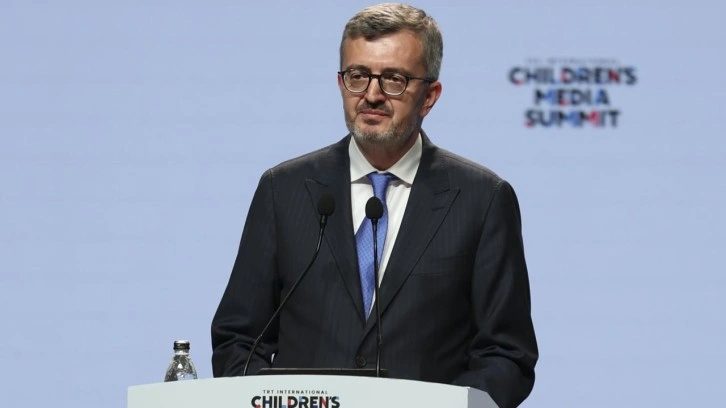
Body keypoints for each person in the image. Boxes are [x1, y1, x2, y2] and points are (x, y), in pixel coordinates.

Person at [211, 3, 538, 407]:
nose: (371, 95)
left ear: (430, 96)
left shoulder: (482, 199)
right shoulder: (284, 190)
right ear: (340, 83)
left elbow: (506, 355)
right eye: (358, 76)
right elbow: (238, 338)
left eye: (394, 79)